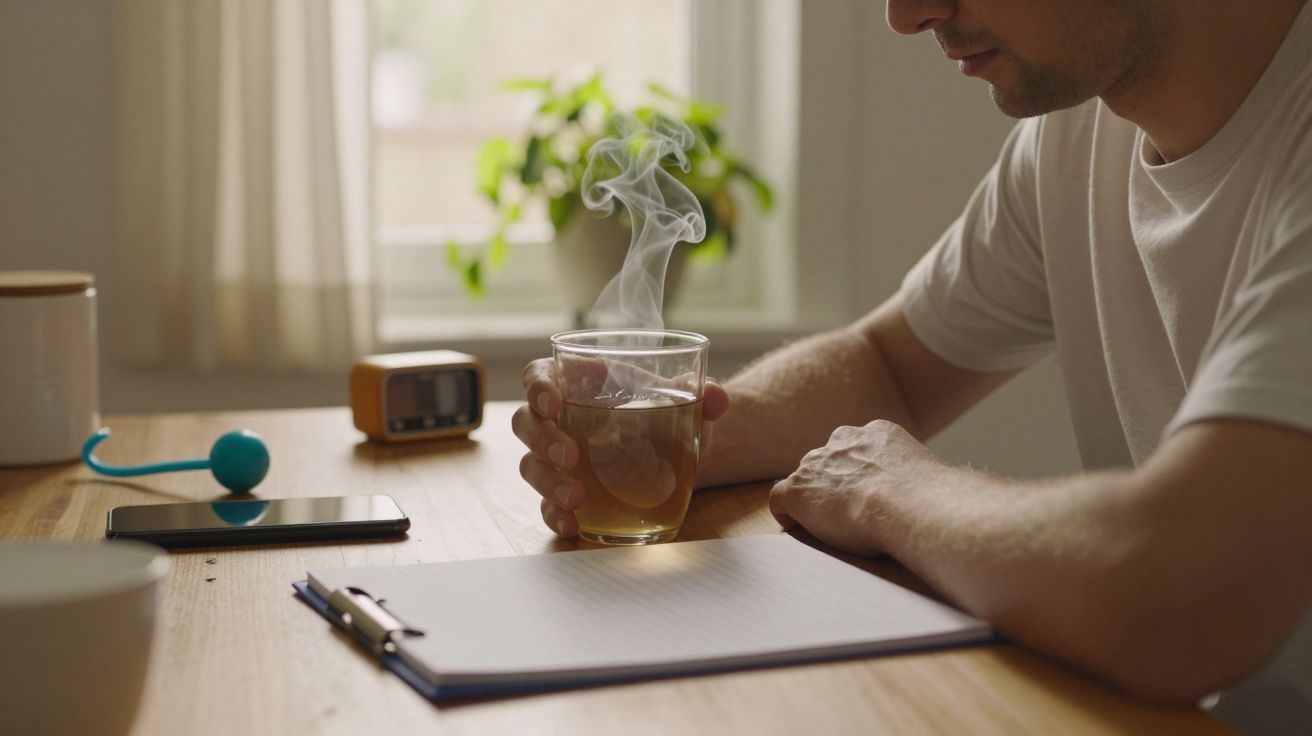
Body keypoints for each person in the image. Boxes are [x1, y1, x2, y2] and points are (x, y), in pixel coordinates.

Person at [513, 0, 1312, 727]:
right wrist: (676, 440)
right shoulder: (1078, 136)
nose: (905, 14)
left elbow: (1173, 595)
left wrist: (893, 490)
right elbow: (888, 364)